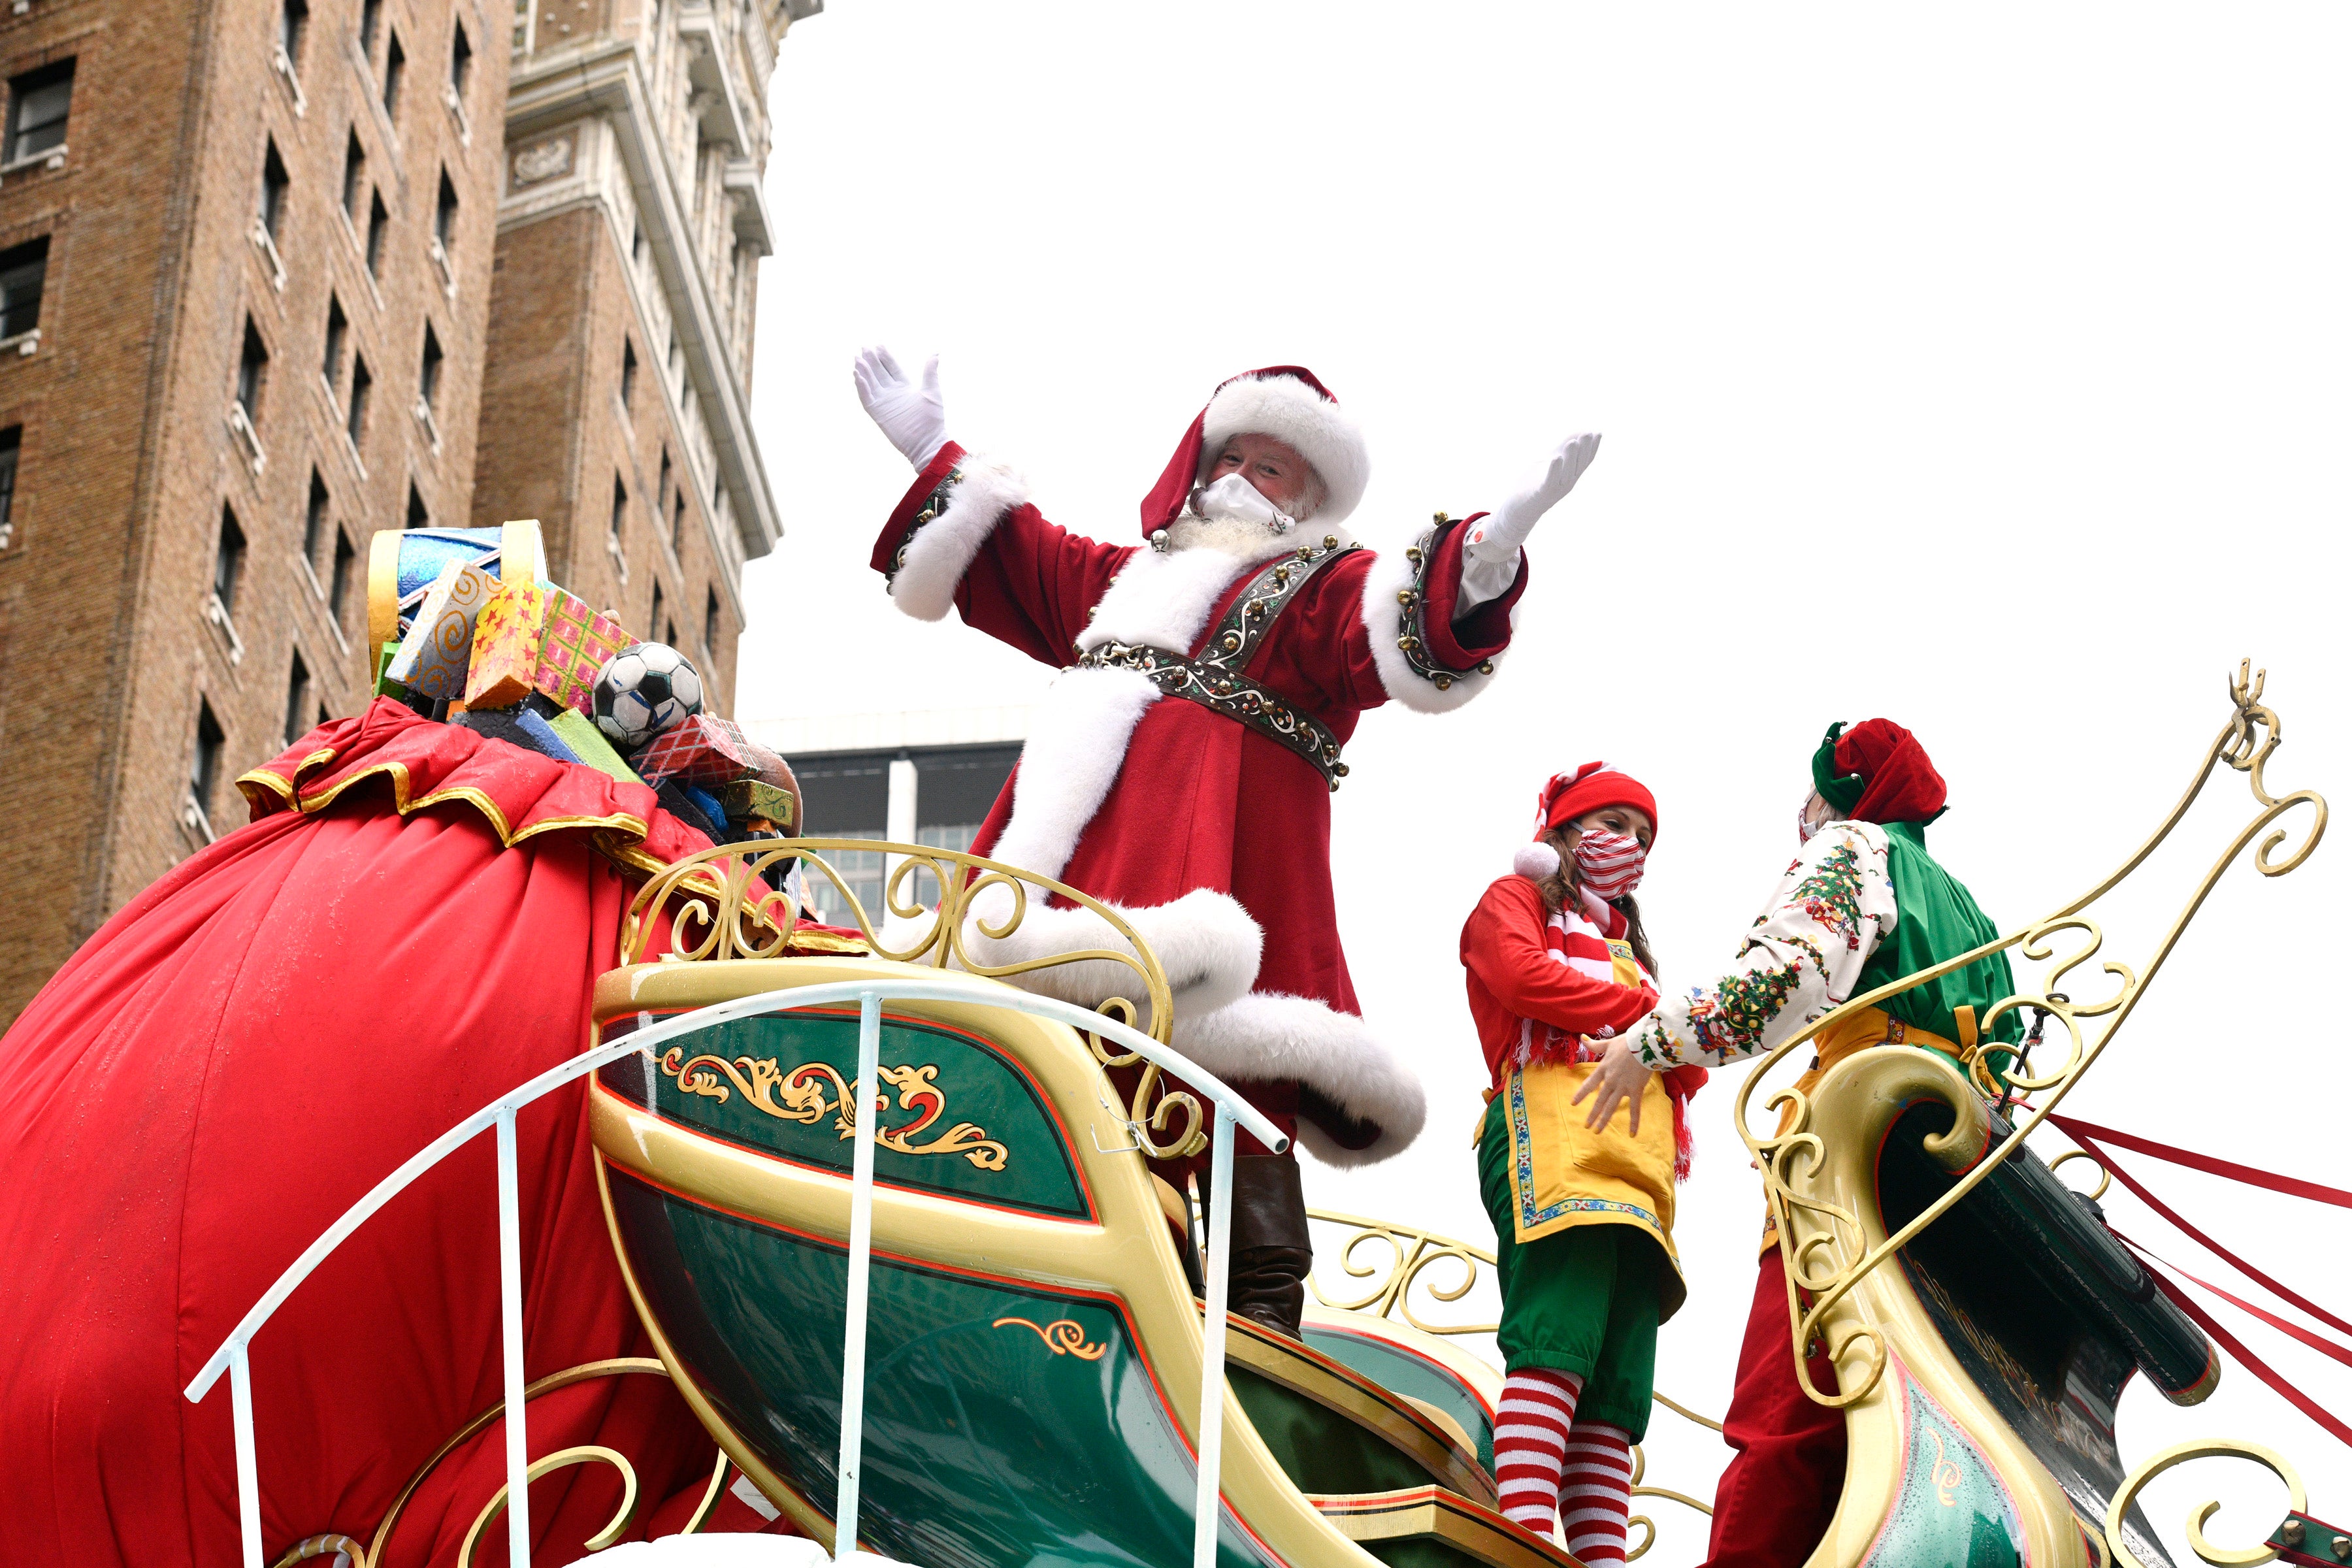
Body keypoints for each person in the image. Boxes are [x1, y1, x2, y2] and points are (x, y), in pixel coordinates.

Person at [854, 347, 1601, 1337]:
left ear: (1310, 496)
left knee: (1242, 1068)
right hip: (1076, 879)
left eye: (1274, 466)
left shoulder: (1319, 585)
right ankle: (1066, 1262)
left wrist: (1493, 545)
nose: (1241, 477)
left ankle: (1258, 1305)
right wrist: (931, 452)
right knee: (1066, 1065)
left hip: (1238, 866)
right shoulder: (1122, 579)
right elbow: (1017, 553)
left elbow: (1398, 626)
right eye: (1232, 456)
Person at [1575, 719, 2020, 1568]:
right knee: (1900, 1425)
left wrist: (1653, 1043)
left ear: (1845, 795)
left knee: (1790, 1411)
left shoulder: (1856, 849)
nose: (1803, 815)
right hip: (1965, 1180)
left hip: (1856, 1154)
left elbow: (1787, 978)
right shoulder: (1975, 913)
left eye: (1813, 794)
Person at [1460, 763, 1707, 1564]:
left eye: (1643, 838)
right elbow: (1522, 977)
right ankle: (1526, 1541)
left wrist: (1668, 1033)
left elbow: (1692, 1065)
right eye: (1613, 826)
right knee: (1555, 1349)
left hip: (1638, 1168)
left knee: (1613, 1389)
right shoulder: (1515, 901)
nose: (1629, 847)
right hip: (1552, 1141)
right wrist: (1651, 1018)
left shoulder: (1629, 948)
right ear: (1562, 833)